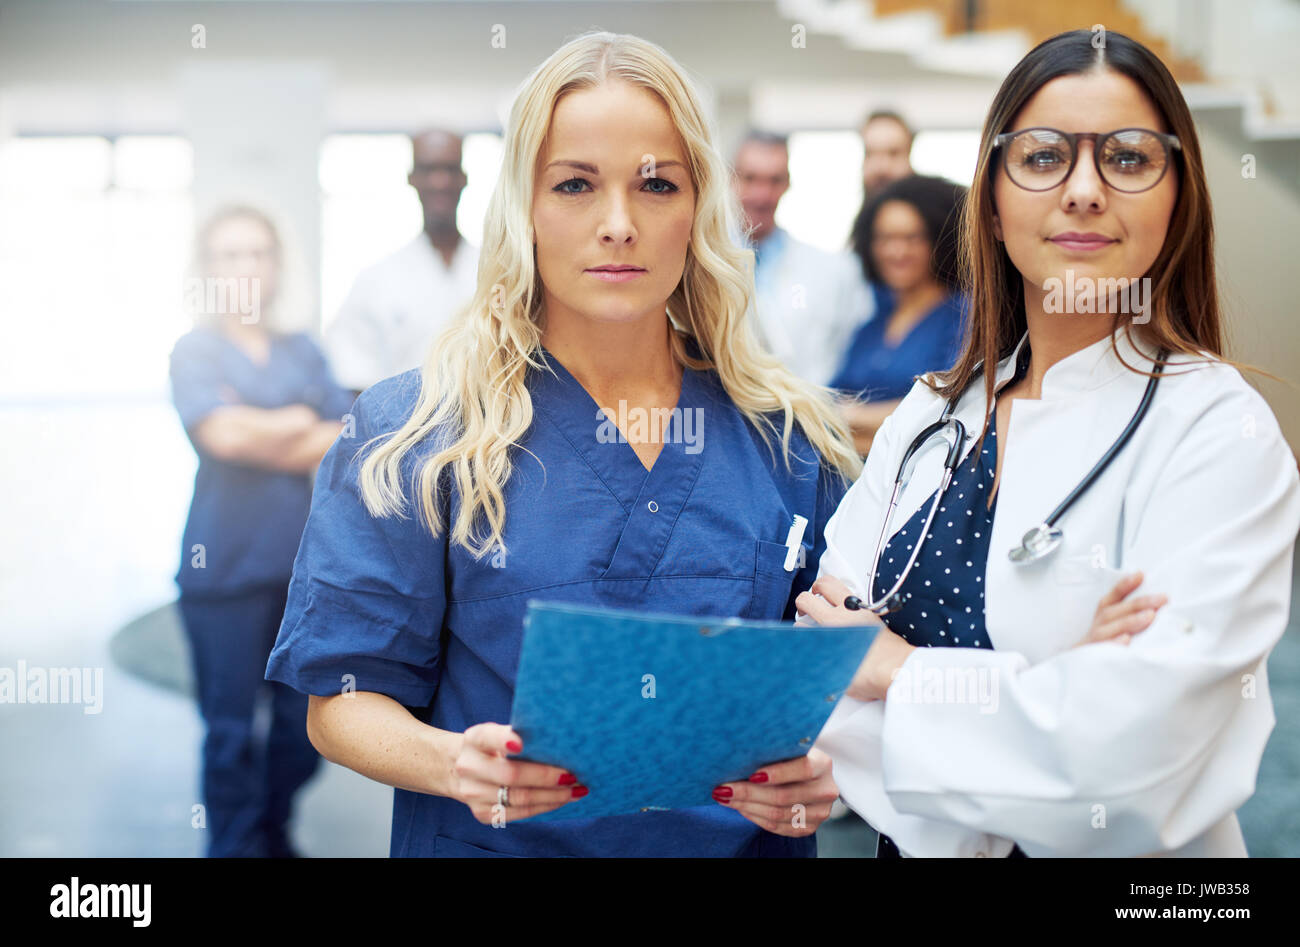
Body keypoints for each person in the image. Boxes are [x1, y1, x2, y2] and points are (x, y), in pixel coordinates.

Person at [265, 31, 863, 858]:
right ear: (525, 208)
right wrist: (452, 763)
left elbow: (845, 683)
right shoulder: (418, 433)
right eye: (575, 184)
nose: (618, 224)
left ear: (698, 210)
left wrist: (827, 771)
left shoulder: (788, 438)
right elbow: (340, 703)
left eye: (657, 184)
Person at [800, 29, 1300, 857]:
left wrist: (893, 671)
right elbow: (816, 671)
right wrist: (1050, 691)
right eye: (1041, 157)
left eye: (1130, 159)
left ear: (1178, 197)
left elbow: (1135, 766)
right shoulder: (928, 417)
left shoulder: (1219, 431)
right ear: (991, 202)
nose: (1084, 191)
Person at [169, 204, 356, 857]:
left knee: (298, 732)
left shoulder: (303, 348)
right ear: (209, 269)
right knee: (228, 731)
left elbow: (341, 439)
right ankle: (234, 845)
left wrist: (258, 425)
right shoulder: (194, 351)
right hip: (220, 569)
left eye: (255, 253)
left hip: (300, 574)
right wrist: (295, 419)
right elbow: (221, 437)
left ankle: (271, 832)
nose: (244, 267)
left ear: (274, 266)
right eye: (229, 254)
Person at [324, 129, 480, 393]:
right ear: (412, 178)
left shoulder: (496, 272)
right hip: (402, 431)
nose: (440, 182)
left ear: (464, 178)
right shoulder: (376, 280)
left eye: (449, 170)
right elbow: (355, 378)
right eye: (429, 170)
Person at [830, 175, 968, 455]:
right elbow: (831, 399)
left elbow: (944, 410)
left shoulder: (962, 315)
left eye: (911, 238)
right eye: (885, 239)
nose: (897, 251)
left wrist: (851, 419)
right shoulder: (872, 324)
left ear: (938, 240)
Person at [732, 130, 874, 385]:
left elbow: (854, 351)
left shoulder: (834, 271)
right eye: (750, 178)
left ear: (788, 184)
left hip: (810, 415)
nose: (762, 195)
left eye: (774, 180)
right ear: (730, 180)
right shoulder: (697, 264)